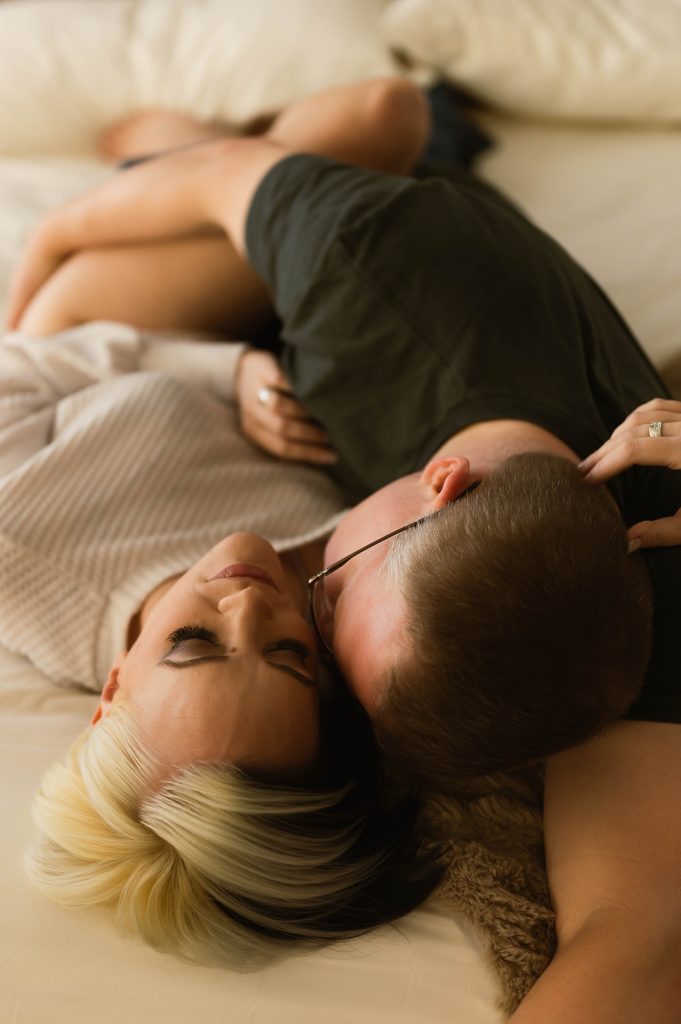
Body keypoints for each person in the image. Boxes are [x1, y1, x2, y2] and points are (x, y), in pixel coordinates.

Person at [6, 77, 681, 1020]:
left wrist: (56, 256)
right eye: (304, 639)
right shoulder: (366, 276)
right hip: (352, 258)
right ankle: (204, 136)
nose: (265, 592)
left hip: (359, 262)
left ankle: (211, 139)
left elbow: (636, 936)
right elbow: (635, 938)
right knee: (331, 152)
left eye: (314, 616)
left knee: (102, 282)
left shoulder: (373, 285)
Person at [0, 323, 439, 966]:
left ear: (112, 690)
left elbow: (36, 356)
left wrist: (230, 371)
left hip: (128, 313)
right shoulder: (381, 610)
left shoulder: (15, 540)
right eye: (290, 656)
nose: (251, 607)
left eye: (193, 642)